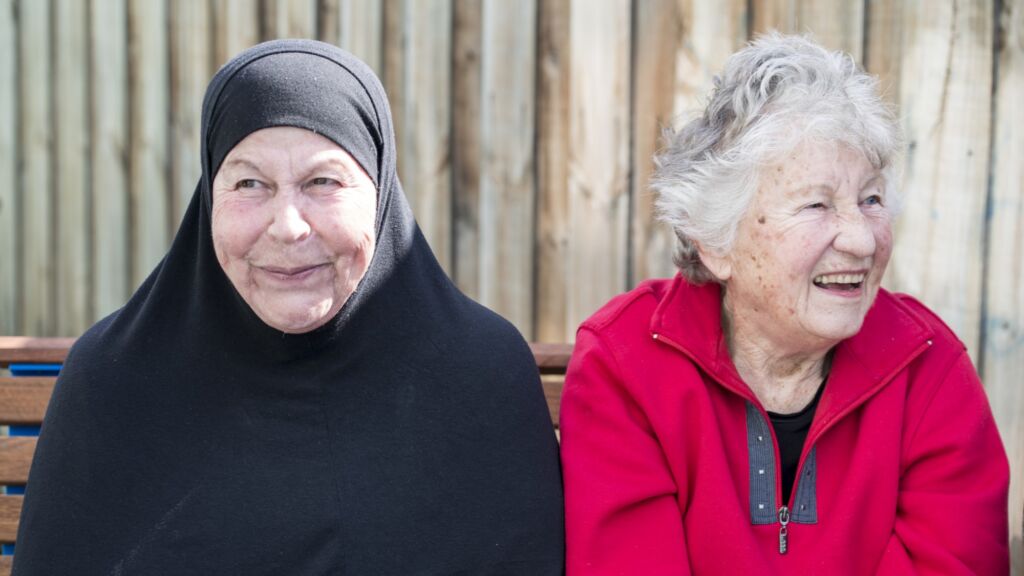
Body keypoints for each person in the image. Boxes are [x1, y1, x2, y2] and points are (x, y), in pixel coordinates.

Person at [13, 39, 563, 575]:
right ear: (210, 195)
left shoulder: (480, 373)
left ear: (380, 192)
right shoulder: (115, 381)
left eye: (323, 181)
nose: (288, 226)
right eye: (250, 182)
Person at [560, 34, 1009, 574]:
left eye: (871, 199)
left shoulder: (928, 367)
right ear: (715, 241)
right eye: (817, 204)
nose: (863, 241)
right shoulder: (628, 363)